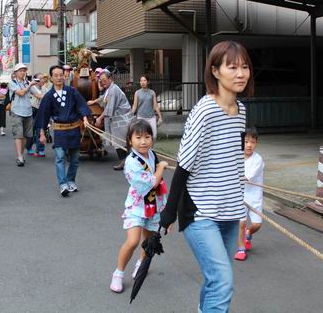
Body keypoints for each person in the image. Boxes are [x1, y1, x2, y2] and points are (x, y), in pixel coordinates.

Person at [160, 41, 253, 313]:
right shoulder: (205, 111)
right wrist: (169, 212)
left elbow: (233, 157)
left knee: (216, 280)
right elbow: (184, 165)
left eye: (245, 67)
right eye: (232, 67)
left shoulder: (241, 111)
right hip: (200, 212)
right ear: (215, 71)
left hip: (230, 211)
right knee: (222, 281)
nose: (241, 74)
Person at [110, 119, 169, 293]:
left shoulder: (151, 154)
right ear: (130, 140)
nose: (143, 142)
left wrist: (165, 208)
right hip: (137, 207)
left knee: (148, 241)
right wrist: (161, 167)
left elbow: (159, 185)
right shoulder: (131, 162)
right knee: (133, 241)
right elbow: (152, 182)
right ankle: (118, 273)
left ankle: (140, 265)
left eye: (147, 137)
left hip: (153, 205)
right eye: (138, 137)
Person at [37, 65, 91, 197]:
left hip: (74, 129)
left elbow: (81, 105)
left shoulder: (72, 91)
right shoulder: (49, 96)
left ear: (64, 76)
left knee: (75, 159)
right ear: (51, 78)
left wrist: (85, 118)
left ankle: (71, 180)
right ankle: (63, 184)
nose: (59, 78)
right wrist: (42, 133)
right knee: (60, 158)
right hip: (60, 131)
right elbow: (43, 115)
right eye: (56, 75)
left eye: (61, 75)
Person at [234, 126, 264, 261]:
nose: (249, 145)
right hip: (240, 197)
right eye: (246, 142)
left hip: (255, 197)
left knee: (257, 225)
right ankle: (241, 248)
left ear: (256, 143)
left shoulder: (258, 160)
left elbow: (247, 177)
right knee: (241, 223)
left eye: (252, 142)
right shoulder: (236, 157)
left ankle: (249, 232)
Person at [94, 70, 134, 170]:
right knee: (122, 142)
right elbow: (103, 99)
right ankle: (127, 161)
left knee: (119, 142)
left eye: (104, 80)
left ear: (110, 79)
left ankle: (124, 161)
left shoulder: (113, 90)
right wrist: (93, 101)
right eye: (101, 81)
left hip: (122, 120)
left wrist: (100, 118)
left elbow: (109, 108)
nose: (102, 82)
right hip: (119, 120)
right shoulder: (109, 89)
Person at [9, 63, 39, 167]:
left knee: (27, 136)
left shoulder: (27, 82)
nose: (23, 72)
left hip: (28, 111)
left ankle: (21, 154)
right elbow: (21, 93)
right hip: (16, 111)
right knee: (18, 135)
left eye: (24, 70)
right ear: (15, 73)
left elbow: (38, 94)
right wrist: (30, 85)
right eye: (20, 71)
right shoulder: (12, 83)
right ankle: (19, 157)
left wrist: (51, 95)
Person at [131, 75, 163, 139]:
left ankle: (151, 145)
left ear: (148, 82)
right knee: (142, 136)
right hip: (141, 117)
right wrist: (130, 116)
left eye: (144, 80)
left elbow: (156, 106)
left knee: (154, 135)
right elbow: (134, 106)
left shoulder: (152, 92)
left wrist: (160, 117)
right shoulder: (137, 93)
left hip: (151, 117)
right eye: (141, 81)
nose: (142, 82)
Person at [26, 73, 46, 157]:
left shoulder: (44, 88)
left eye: (43, 78)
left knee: (40, 130)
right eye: (40, 78)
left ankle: (40, 149)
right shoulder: (32, 87)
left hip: (41, 110)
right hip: (32, 110)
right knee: (31, 130)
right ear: (35, 80)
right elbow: (39, 96)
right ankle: (29, 147)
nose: (43, 80)